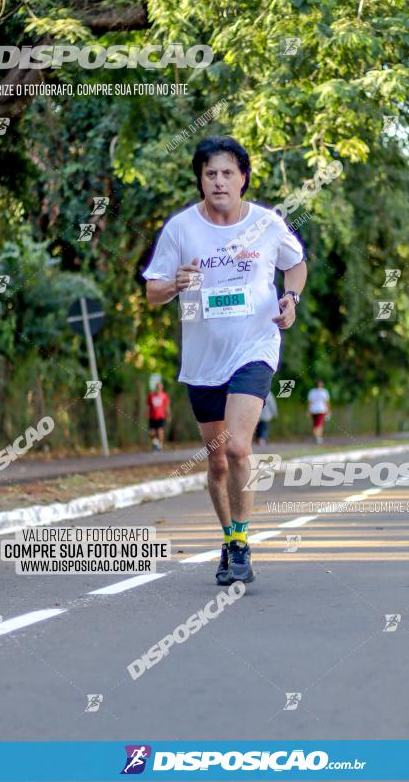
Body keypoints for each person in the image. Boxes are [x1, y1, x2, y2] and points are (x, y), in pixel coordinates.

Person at [144, 135, 307, 584]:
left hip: (255, 346)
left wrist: (290, 297)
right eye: (210, 173)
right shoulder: (181, 229)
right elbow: (152, 291)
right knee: (216, 460)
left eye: (227, 173)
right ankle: (229, 536)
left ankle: (240, 543)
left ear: (243, 179)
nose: (219, 181)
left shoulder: (267, 224)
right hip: (203, 358)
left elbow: (296, 264)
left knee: (237, 447)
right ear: (200, 180)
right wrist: (175, 284)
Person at [147, 381, 170, 451]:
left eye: (160, 387)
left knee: (160, 430)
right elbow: (148, 405)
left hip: (161, 416)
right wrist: (146, 413)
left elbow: (167, 406)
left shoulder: (164, 395)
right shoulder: (151, 395)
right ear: (156, 388)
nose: (159, 388)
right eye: (158, 387)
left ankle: (160, 445)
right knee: (152, 433)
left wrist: (169, 415)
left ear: (162, 388)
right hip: (152, 416)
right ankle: (155, 443)